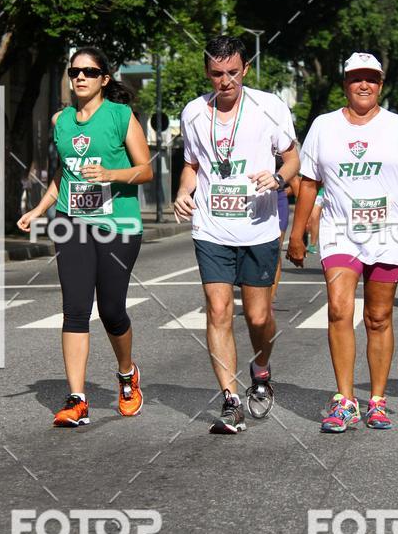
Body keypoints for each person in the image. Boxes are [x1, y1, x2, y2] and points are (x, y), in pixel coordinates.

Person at [287, 52, 398, 433]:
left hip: (388, 232)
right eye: (357, 78)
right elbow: (309, 183)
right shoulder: (324, 127)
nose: (364, 85)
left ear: (381, 84)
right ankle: (345, 399)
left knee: (378, 317)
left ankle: (376, 399)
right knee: (339, 310)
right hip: (340, 231)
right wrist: (296, 235)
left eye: (372, 79)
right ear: (345, 83)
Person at [17, 46, 153, 426]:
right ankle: (77, 398)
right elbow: (64, 174)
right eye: (74, 70)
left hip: (118, 225)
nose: (80, 77)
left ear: (104, 79)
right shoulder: (62, 120)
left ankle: (127, 375)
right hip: (71, 222)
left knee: (110, 310)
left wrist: (112, 175)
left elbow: (145, 171)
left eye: (89, 72)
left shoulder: (121, 117)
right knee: (75, 308)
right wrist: (38, 210)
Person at [174, 35, 299, 434]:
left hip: (259, 226)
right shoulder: (193, 112)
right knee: (218, 310)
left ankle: (260, 370)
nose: (225, 81)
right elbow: (192, 164)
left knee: (260, 316)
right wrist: (182, 192)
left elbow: (293, 157)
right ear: (207, 72)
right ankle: (230, 399)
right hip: (211, 227)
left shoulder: (270, 107)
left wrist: (278, 178)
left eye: (232, 72)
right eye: (216, 74)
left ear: (245, 69)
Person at [271, 152, 300, 302]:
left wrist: (302, 222)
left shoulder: (280, 154)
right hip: (252, 202)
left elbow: (296, 183)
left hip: (277, 201)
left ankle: (269, 299)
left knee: (274, 250)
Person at [305, 187, 324, 254]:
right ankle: (305, 234)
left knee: (314, 217)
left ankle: (313, 245)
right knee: (307, 223)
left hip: (319, 193)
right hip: (306, 192)